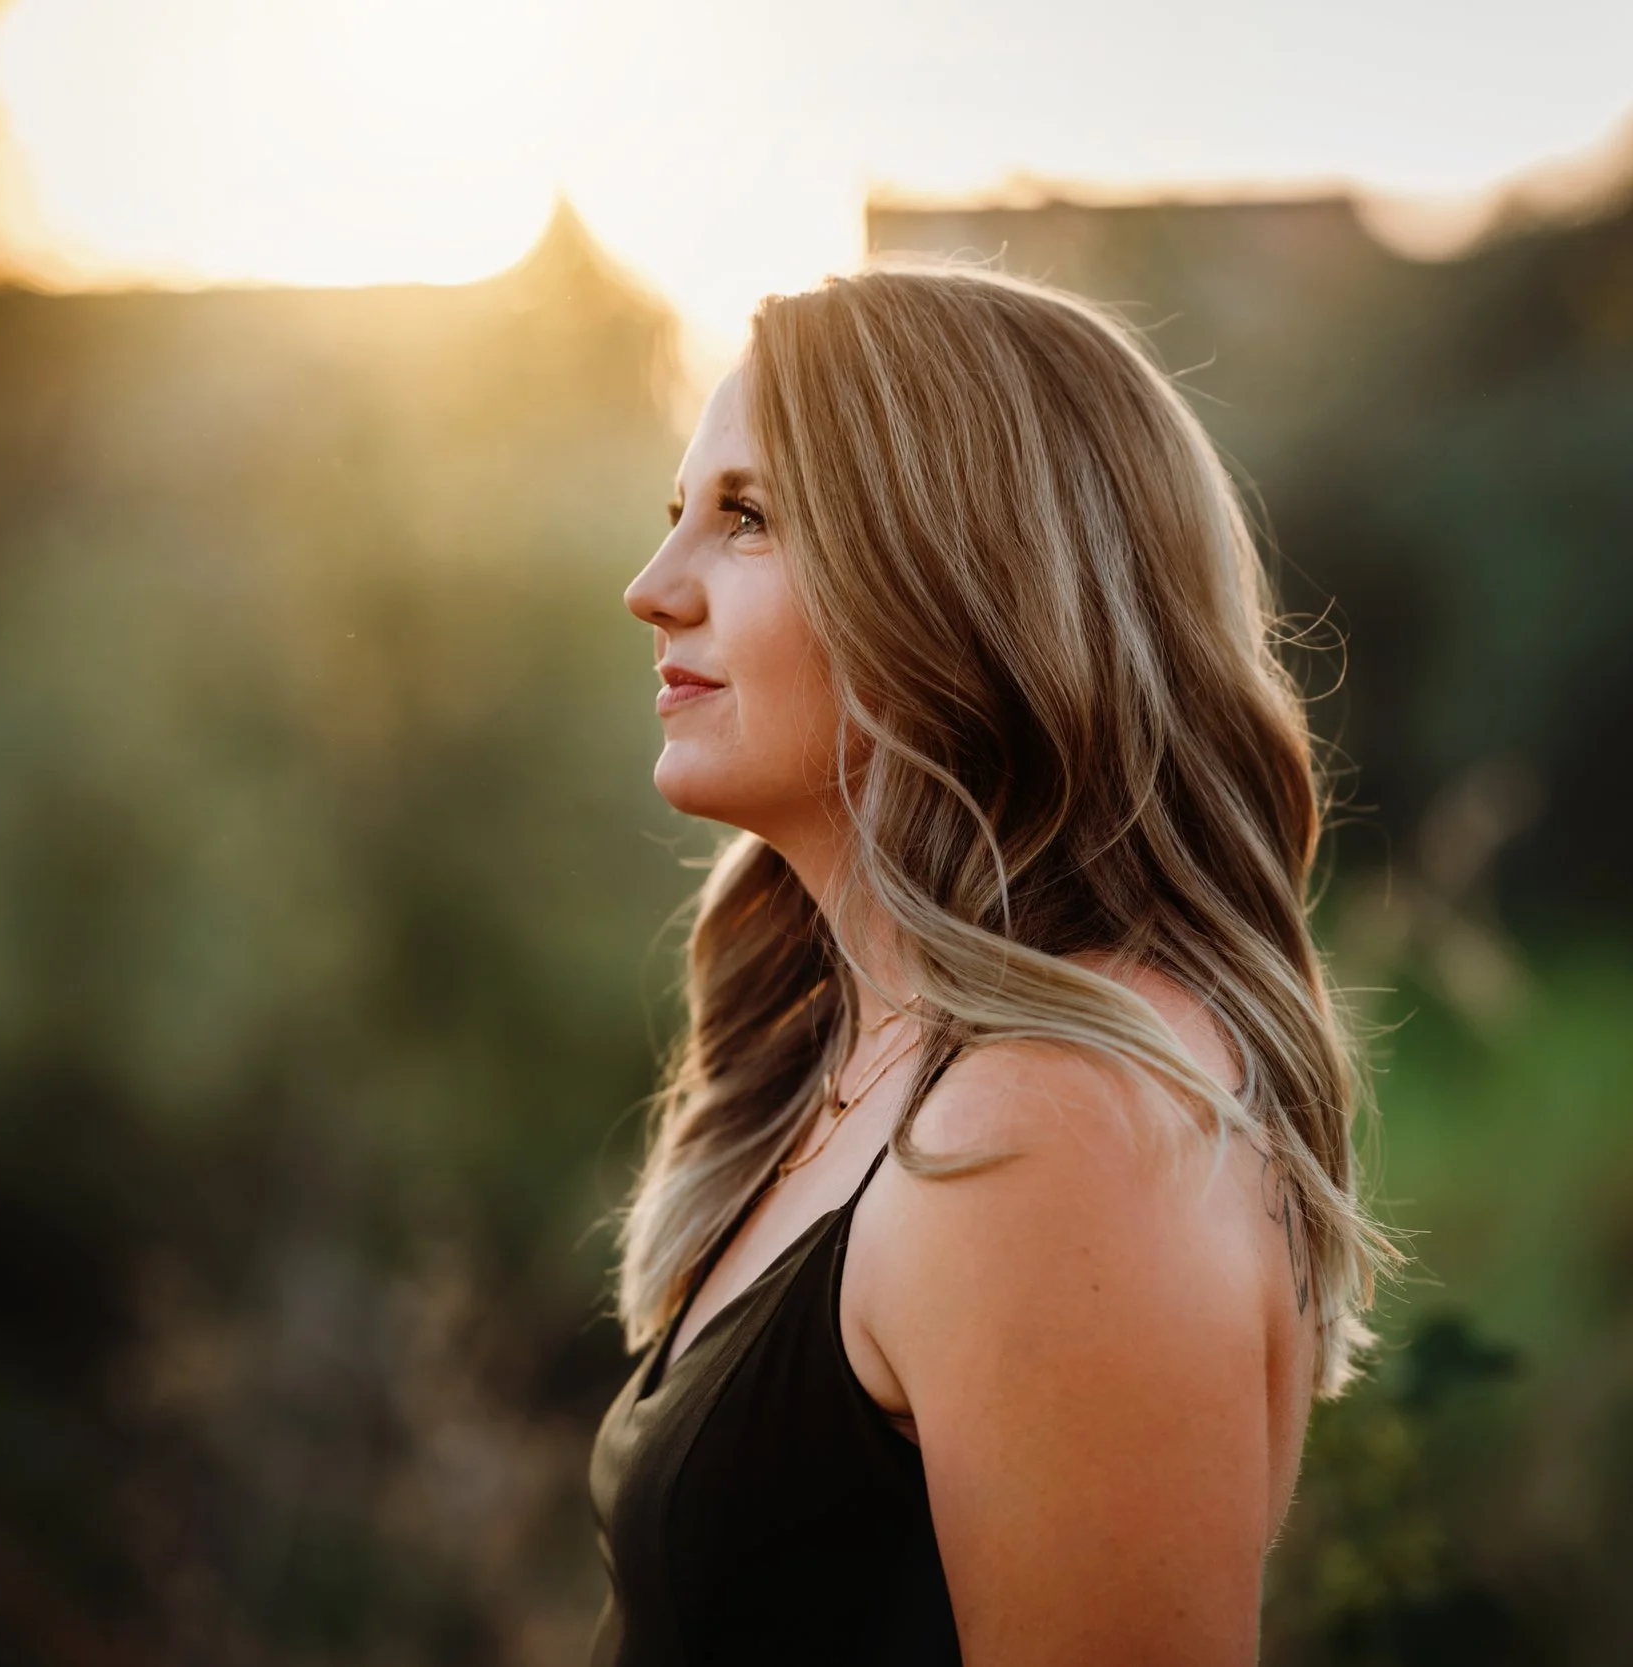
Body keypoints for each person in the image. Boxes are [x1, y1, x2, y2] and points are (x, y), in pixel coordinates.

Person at [591, 262, 1390, 1667]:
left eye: (750, 518)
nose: (651, 591)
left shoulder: (1053, 1129)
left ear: (959, 583)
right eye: (679, 516)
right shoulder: (874, 1051)